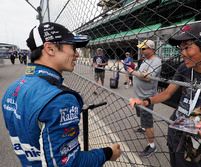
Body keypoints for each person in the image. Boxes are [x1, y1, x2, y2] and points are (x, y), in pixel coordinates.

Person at [1, 22, 121, 167]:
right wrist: (108, 153)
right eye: (73, 47)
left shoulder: (12, 89)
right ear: (50, 49)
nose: (76, 54)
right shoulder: (60, 100)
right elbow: (70, 164)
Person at [130, 23, 201, 166]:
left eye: (187, 47)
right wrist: (145, 101)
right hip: (176, 129)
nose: (182, 53)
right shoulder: (184, 67)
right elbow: (167, 93)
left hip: (196, 142)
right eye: (180, 48)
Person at [127, 39, 162, 157]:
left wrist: (132, 72)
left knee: (148, 122)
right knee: (141, 116)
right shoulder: (145, 60)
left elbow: (148, 77)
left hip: (147, 97)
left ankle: (152, 146)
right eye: (141, 48)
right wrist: (136, 71)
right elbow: (142, 73)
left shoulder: (156, 61)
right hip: (138, 95)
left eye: (143, 48)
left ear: (151, 49)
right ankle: (143, 128)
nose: (141, 50)